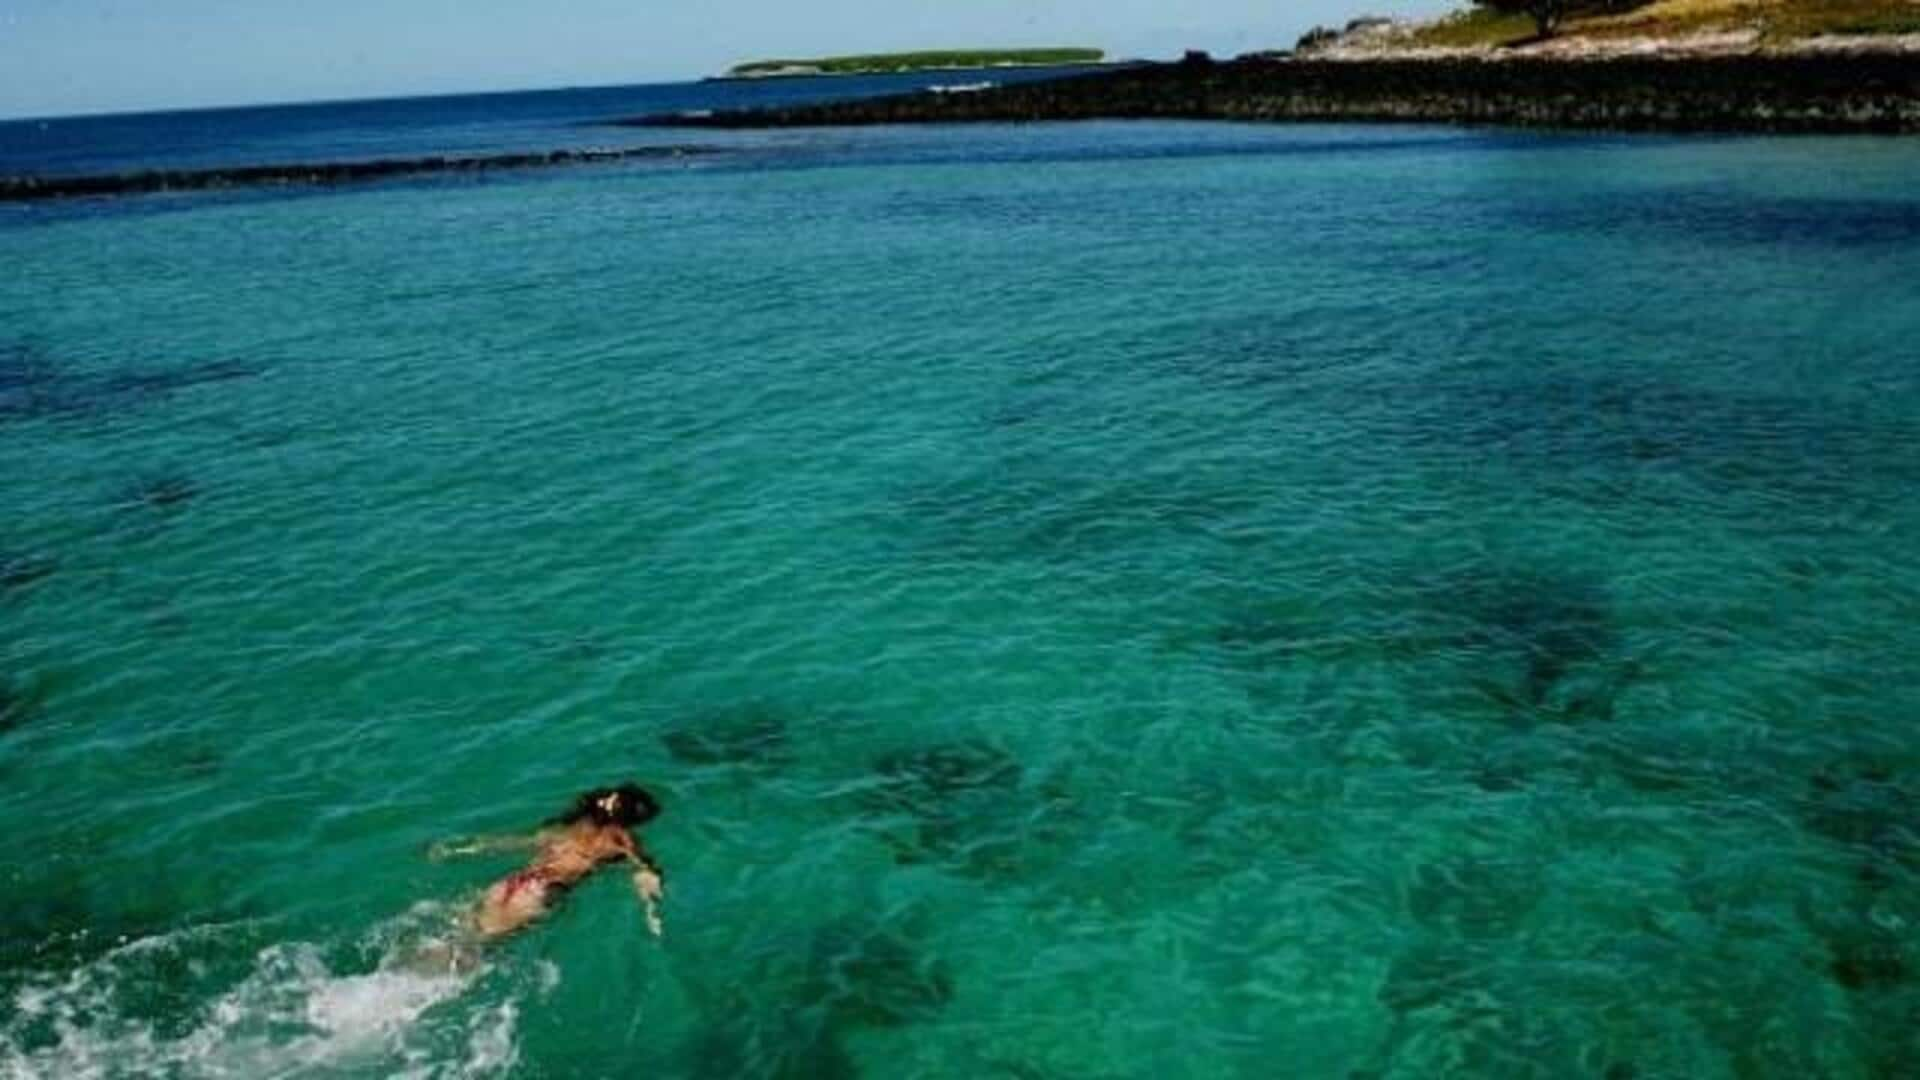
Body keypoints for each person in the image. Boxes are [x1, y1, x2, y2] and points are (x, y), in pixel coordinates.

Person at [430, 783, 667, 941]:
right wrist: (650, 910)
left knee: (455, 935)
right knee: (474, 951)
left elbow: (515, 843)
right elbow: (645, 872)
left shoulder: (570, 828)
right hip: (541, 892)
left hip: (512, 882)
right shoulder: (621, 840)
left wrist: (464, 849)